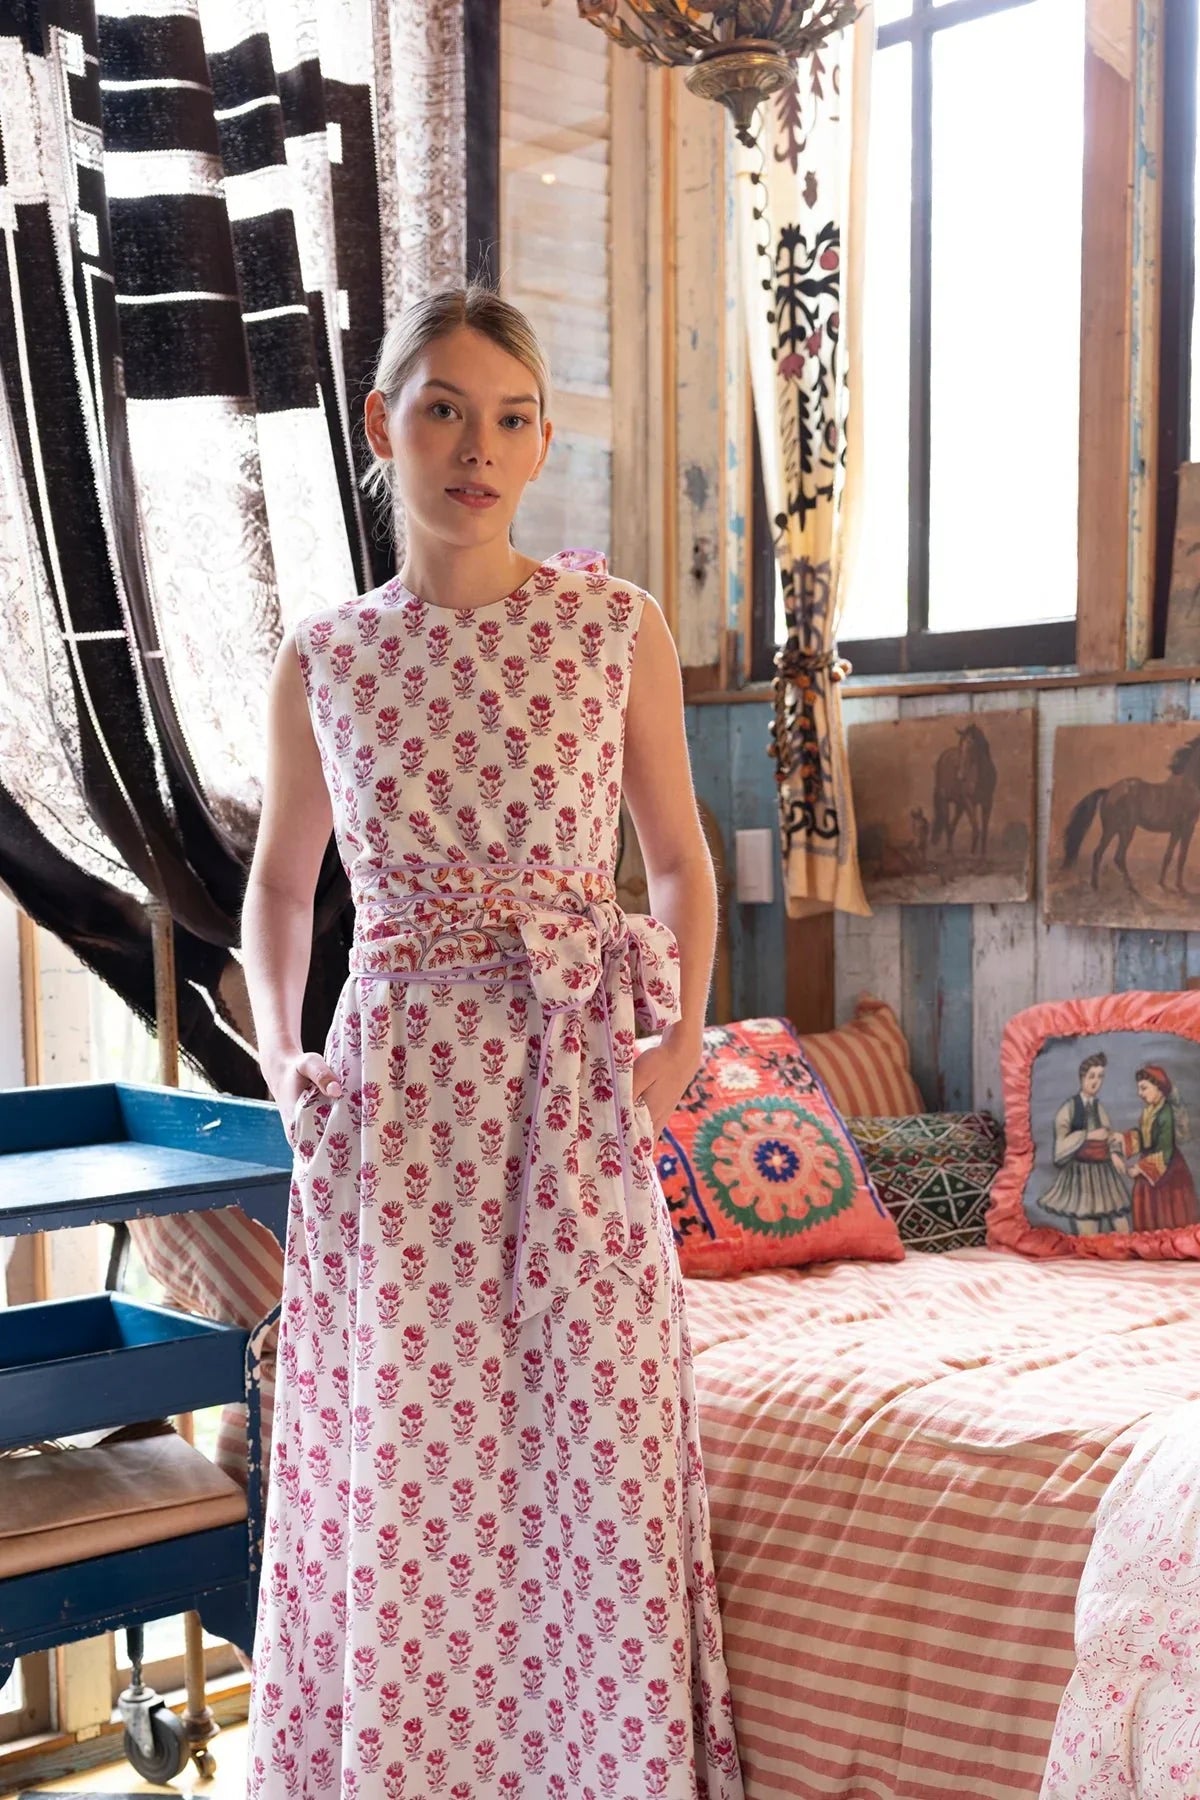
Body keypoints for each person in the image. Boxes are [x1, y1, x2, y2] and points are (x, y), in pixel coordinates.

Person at [238, 283, 746, 1798]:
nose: (478, 447)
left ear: (540, 445)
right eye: (445, 411)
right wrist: (277, 1055)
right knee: (412, 1471)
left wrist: (683, 1038)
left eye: (511, 418)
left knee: (596, 1460)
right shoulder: (327, 657)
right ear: (381, 426)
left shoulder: (613, 627)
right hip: (393, 1108)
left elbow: (678, 859)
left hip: (570, 1090)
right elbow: (279, 886)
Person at [1037, 1051, 1131, 1235]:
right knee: (1088, 1230)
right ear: (1082, 1078)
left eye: (1100, 1077)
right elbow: (1061, 1143)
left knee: (1122, 1226)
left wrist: (1114, 1153)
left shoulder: (1099, 1108)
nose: (1096, 1081)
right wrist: (1088, 1135)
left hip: (1104, 1174)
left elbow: (1108, 1134)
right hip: (1081, 1174)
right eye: (1091, 1076)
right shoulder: (1069, 1108)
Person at [1110, 1063, 1199, 1232]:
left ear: (1158, 1088)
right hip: (1150, 1167)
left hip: (1167, 1171)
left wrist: (1139, 1168)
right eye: (1139, 1089)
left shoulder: (1166, 1113)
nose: (1140, 1093)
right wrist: (1123, 1138)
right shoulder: (1150, 1110)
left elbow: (1165, 1151)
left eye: (1144, 1088)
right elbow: (1146, 1139)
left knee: (1165, 1213)